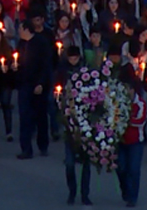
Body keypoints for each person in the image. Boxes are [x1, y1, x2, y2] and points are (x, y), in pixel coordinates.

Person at [55, 46, 92, 205]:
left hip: (85, 120)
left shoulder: (86, 72)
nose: (73, 61)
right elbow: (56, 89)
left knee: (86, 162)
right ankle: (72, 191)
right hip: (69, 118)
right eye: (71, 58)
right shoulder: (62, 71)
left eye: (75, 58)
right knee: (70, 163)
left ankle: (85, 194)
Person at [15, 19, 52, 159]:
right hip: (24, 84)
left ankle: (43, 144)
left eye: (20, 28)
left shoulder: (41, 43)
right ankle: (26, 148)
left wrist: (41, 83)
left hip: (38, 85)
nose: (18, 31)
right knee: (24, 116)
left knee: (40, 116)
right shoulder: (21, 44)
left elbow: (45, 65)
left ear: (26, 29)